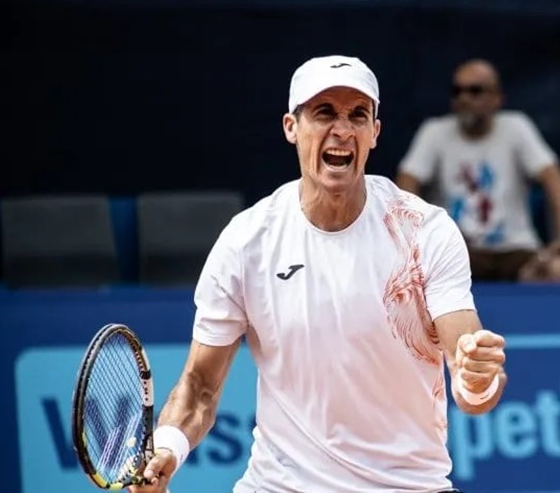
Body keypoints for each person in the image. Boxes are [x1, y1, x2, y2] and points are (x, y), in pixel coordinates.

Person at [130, 55, 507, 493]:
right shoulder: (247, 241)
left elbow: (470, 380)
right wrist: (169, 448)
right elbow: (199, 386)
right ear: (292, 127)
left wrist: (477, 378)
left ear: (374, 134)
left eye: (357, 116)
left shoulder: (424, 231)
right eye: (324, 112)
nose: (342, 130)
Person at [396, 59, 560, 282]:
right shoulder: (434, 132)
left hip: (515, 249)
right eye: (457, 91)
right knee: (412, 274)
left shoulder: (516, 127)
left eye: (475, 91)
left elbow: (554, 179)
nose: (464, 98)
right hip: (457, 249)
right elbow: (407, 183)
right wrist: (414, 235)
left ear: (497, 98)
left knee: (558, 269)